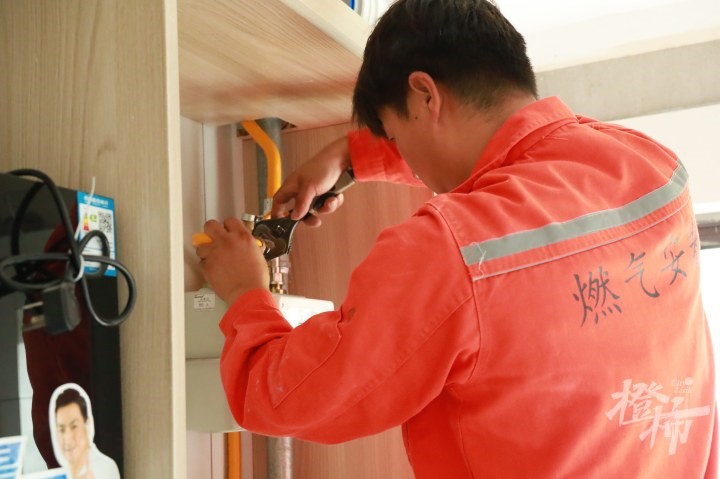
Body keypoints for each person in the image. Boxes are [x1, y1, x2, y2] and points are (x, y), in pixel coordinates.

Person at [196, 0, 717, 477]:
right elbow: (510, 154)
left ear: (424, 94)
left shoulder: (450, 250)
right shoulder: (651, 164)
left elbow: (285, 398)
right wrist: (350, 158)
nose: (408, 158)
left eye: (394, 135)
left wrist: (245, 295)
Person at [52, 386, 120, 479]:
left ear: (87, 425)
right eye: (62, 430)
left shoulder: (105, 468)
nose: (68, 437)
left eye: (74, 426)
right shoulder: (59, 474)